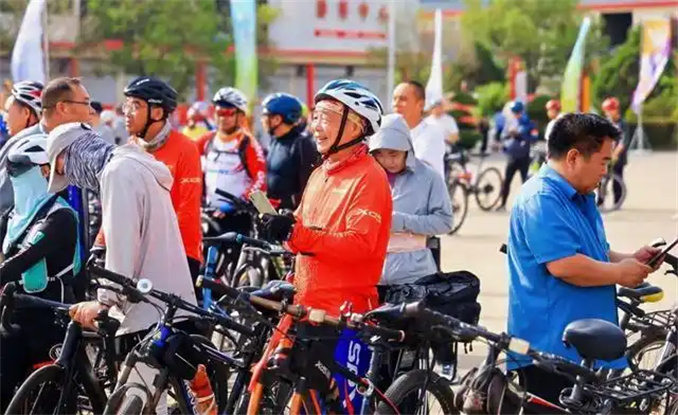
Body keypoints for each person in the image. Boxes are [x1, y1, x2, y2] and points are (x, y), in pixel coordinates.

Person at [506, 113, 661, 404]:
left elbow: (594, 254)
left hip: (581, 347)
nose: (605, 171)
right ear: (574, 157)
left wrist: (631, 259)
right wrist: (620, 274)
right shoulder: (541, 198)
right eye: (603, 162)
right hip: (549, 350)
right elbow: (565, 265)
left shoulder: (578, 196)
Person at [258, 79, 391, 407]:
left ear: (356, 125)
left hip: (342, 318)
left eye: (326, 117)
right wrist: (281, 228)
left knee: (340, 406)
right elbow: (301, 235)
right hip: (305, 309)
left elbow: (359, 245)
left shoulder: (370, 177)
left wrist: (297, 234)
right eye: (315, 116)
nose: (316, 126)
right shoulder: (321, 173)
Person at [47, 122, 196, 332]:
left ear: (71, 153)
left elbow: (122, 245)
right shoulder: (132, 164)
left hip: (146, 311)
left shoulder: (116, 173)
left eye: (64, 170)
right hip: (166, 301)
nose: (72, 179)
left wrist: (105, 301)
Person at [0, 134, 81, 411]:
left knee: (50, 403)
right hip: (13, 316)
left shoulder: (60, 216)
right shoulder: (13, 216)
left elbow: (25, 259)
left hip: (51, 319)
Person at [122, 76, 203, 281]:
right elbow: (121, 202)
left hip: (179, 251)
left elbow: (188, 208)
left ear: (157, 113)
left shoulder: (186, 148)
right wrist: (102, 242)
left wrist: (158, 247)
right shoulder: (130, 147)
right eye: (127, 105)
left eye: (136, 106)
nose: (127, 112)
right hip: (136, 250)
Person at [369, 113, 452, 285]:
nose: (387, 161)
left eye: (393, 154)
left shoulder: (429, 177)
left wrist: (403, 221)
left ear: (407, 148)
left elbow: (445, 222)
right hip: (373, 275)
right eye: (380, 155)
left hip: (415, 275)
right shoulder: (368, 178)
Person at [196, 87, 266, 237]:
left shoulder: (248, 143)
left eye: (228, 113)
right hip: (209, 214)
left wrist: (237, 203)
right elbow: (189, 168)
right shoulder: (206, 141)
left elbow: (260, 180)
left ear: (240, 115)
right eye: (219, 112)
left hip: (237, 217)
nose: (223, 118)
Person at [261, 92, 318, 210]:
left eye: (265, 115)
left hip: (291, 216)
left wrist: (290, 209)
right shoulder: (274, 141)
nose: (262, 120)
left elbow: (310, 188)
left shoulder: (302, 144)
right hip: (272, 214)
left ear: (277, 119)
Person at [0, 82, 45, 219]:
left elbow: (2, 198)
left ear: (26, 113)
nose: (5, 118)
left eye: (7, 111)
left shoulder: (20, 145)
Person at [392, 81, 446, 180]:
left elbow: (417, 170)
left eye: (403, 99)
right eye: (394, 99)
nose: (396, 104)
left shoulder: (432, 134)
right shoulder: (391, 133)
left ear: (420, 104)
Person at [496, 100, 538, 211]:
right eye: (514, 112)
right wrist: (508, 137)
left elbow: (534, 138)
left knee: (525, 183)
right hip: (512, 156)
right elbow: (503, 136)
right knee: (507, 181)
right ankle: (502, 204)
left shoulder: (529, 123)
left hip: (524, 157)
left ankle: (529, 207)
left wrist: (521, 136)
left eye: (518, 112)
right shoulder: (510, 122)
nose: (516, 114)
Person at [601, 97, 630, 206]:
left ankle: (617, 203)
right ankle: (600, 202)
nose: (607, 114)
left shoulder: (623, 124)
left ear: (616, 110)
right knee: (602, 180)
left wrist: (615, 154)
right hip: (605, 155)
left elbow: (623, 141)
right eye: (606, 111)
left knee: (617, 180)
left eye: (609, 111)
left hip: (618, 157)